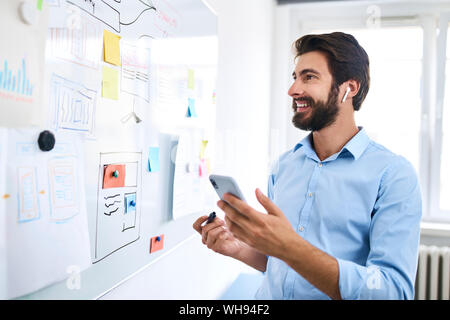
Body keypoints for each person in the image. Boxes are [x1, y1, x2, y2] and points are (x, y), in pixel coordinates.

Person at [193, 32, 422, 300]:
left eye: (309, 77)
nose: (293, 90)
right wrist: (238, 248)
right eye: (295, 77)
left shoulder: (394, 175)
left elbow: (391, 291)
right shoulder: (285, 165)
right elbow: (279, 265)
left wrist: (291, 247)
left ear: (350, 88)